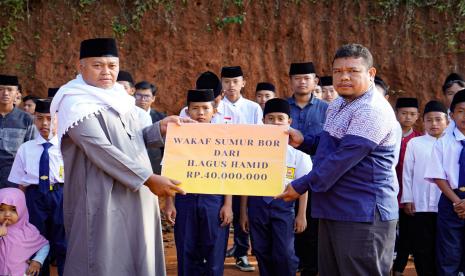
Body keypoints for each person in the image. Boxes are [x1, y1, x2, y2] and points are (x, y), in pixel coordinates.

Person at [49, 37, 188, 276]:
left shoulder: (120, 98)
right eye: (97, 65)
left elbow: (132, 138)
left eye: (112, 66)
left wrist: (159, 129)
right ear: (81, 67)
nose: (106, 72)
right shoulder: (74, 102)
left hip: (138, 194)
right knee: (103, 260)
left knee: (138, 256)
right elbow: (101, 149)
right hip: (101, 199)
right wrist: (149, 178)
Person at [278, 43, 399, 275]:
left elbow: (342, 159)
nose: (344, 77)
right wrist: (303, 140)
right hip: (334, 208)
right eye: (338, 71)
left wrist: (299, 185)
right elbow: (330, 143)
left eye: (353, 71)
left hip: (363, 214)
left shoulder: (372, 109)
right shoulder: (338, 104)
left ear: (370, 73)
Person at [164, 89, 233, 276]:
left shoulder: (224, 136)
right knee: (186, 251)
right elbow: (168, 171)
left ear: (214, 111)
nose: (200, 113)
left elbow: (229, 173)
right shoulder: (177, 135)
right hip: (185, 199)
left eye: (205, 108)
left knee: (214, 251)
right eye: (195, 108)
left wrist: (228, 204)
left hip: (214, 200)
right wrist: (169, 202)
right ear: (188, 111)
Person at [240, 98, 312, 276]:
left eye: (280, 119)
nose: (275, 123)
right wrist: (243, 213)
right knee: (261, 251)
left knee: (285, 254)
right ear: (263, 121)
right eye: (270, 118)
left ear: (289, 122)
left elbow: (303, 187)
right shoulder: (252, 153)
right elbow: (245, 185)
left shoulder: (298, 156)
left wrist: (301, 215)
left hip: (284, 208)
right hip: (257, 207)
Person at [8, 99, 66, 276]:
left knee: (63, 241)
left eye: (50, 118)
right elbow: (20, 184)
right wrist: (19, 210)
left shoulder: (67, 147)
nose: (45, 123)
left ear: (59, 119)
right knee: (37, 241)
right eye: (40, 118)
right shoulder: (26, 149)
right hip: (34, 198)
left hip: (61, 195)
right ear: (34, 120)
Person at [287, 61, 327, 276]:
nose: (302, 82)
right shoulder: (281, 108)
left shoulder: (327, 110)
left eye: (306, 78)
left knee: (313, 230)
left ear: (315, 81)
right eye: (297, 78)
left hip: (317, 179)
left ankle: (311, 269)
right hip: (285, 178)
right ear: (290, 81)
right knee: (287, 229)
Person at [401, 100, 448, 276]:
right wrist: (408, 199)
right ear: (423, 121)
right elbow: (407, 173)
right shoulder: (416, 143)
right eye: (429, 120)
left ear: (447, 121)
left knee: (443, 247)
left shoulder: (452, 143)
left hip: (445, 206)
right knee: (422, 248)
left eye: (438, 119)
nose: (434, 124)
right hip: (420, 205)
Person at [221, 66, 260, 271]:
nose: (231, 86)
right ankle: (218, 253)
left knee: (243, 212)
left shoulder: (253, 108)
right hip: (220, 169)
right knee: (221, 212)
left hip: (245, 168)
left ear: (243, 83)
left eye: (235, 81)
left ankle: (241, 253)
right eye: (226, 82)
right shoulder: (216, 107)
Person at [425, 89, 465, 276]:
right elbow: (437, 176)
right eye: (461, 110)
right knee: (449, 252)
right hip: (451, 200)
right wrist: (457, 201)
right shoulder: (443, 143)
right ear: (452, 114)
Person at [392, 97, 422, 275]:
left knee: (407, 234)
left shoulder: (419, 139)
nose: (408, 117)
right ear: (396, 114)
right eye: (404, 113)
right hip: (389, 192)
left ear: (418, 116)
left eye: (412, 114)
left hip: (409, 195)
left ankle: (399, 269)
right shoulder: (389, 134)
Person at [0, 188, 50, 276]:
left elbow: (44, 245)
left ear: (22, 208)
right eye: (1, 210)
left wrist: (37, 261)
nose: (7, 214)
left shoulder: (29, 230)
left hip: (22, 273)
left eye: (13, 209)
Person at [0, 74, 35, 189]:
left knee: (9, 207)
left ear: (17, 93)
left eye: (10, 90)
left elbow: (31, 152)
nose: (5, 93)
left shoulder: (26, 120)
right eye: (1, 89)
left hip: (12, 179)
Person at [180, 71, 244, 124]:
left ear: (222, 94)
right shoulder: (186, 113)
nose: (201, 112)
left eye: (214, 100)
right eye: (195, 108)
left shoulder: (234, 113)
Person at [134, 81, 166, 175]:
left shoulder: (161, 118)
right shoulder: (124, 116)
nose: (142, 99)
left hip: (154, 165)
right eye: (138, 95)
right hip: (132, 164)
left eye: (147, 96)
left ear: (153, 98)